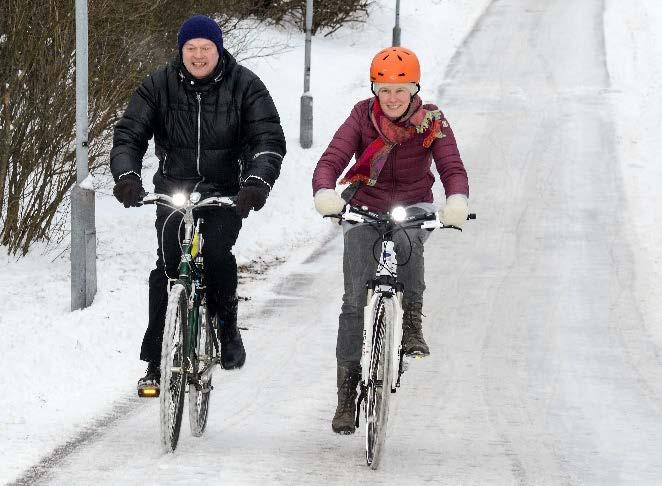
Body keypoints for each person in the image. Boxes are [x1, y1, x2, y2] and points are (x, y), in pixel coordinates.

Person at [110, 15, 286, 395]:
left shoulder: (246, 85)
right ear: (181, 51)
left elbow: (268, 138)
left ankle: (226, 328)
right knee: (169, 265)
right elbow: (129, 135)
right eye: (192, 49)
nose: (199, 56)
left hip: (224, 193)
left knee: (217, 254)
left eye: (206, 48)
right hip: (174, 188)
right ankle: (156, 362)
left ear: (218, 49)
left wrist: (255, 181)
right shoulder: (158, 85)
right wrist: (126, 176)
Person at [311, 47, 469, 434]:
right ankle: (346, 397)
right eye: (385, 91)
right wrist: (324, 191)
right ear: (374, 91)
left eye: (401, 90)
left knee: (408, 240)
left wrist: (456, 199)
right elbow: (332, 158)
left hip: (412, 204)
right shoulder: (360, 116)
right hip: (365, 205)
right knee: (352, 299)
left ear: (415, 90)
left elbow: (451, 165)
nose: (393, 98)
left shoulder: (432, 121)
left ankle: (412, 320)